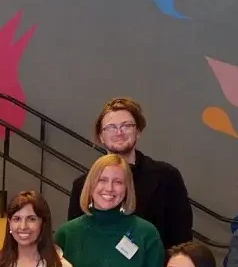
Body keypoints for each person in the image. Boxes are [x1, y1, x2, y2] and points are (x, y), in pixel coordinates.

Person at [67, 98, 192, 250]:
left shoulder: (167, 177)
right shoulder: (82, 185)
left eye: (126, 125)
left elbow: (182, 241)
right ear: (101, 136)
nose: (119, 132)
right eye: (111, 127)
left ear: (138, 131)